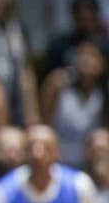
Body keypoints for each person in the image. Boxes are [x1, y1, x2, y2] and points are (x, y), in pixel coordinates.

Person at [41, 39, 108, 167]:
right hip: (59, 157)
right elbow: (45, 122)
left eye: (92, 56)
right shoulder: (57, 85)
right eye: (82, 55)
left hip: (91, 161)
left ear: (102, 63)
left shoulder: (103, 93)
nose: (87, 61)